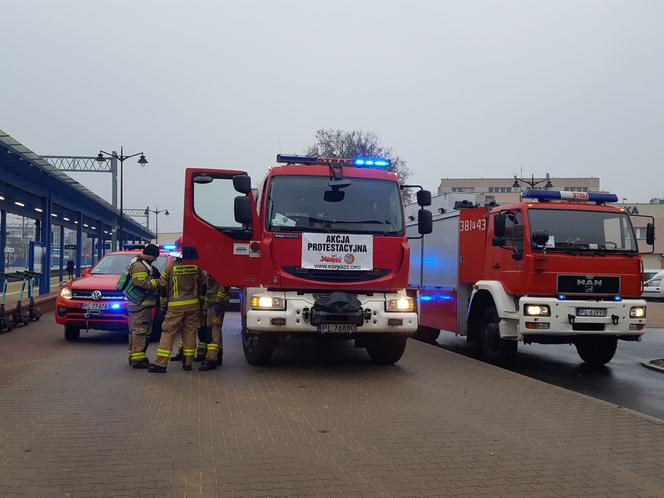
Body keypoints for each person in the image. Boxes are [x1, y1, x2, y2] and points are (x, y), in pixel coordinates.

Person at [148, 254, 206, 373]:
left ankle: (160, 364)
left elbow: (163, 288)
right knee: (190, 333)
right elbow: (203, 285)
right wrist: (200, 302)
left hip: (175, 307)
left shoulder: (170, 268)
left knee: (168, 333)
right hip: (193, 305)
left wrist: (163, 305)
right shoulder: (197, 267)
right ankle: (188, 363)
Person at [126, 244, 161, 368]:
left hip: (140, 304)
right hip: (140, 305)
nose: (156, 259)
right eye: (155, 256)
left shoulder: (141, 264)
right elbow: (140, 283)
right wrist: (159, 282)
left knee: (136, 331)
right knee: (141, 331)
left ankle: (134, 356)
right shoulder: (140, 266)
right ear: (150, 255)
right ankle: (138, 360)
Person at [199, 275, 229, 371]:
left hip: (216, 304)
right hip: (212, 303)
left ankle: (211, 360)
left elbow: (225, 283)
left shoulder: (221, 266)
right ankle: (218, 356)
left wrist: (219, 301)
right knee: (215, 330)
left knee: (212, 331)